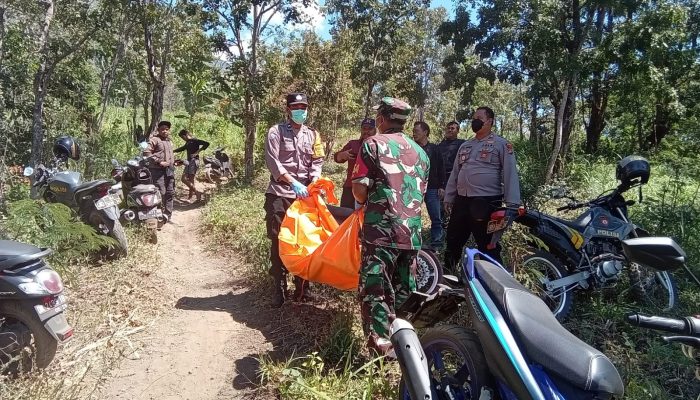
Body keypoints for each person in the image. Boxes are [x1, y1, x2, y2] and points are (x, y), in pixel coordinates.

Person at [352, 97, 429, 354]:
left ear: (381, 119)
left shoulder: (372, 144)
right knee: (405, 291)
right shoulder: (421, 153)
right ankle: (405, 347)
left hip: (380, 234)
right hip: (411, 235)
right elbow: (422, 192)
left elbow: (359, 190)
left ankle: (379, 351)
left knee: (375, 291)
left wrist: (371, 195)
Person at [264, 92, 324, 307]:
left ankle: (302, 288)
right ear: (288, 110)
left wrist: (314, 179)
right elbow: (273, 162)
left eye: (304, 107)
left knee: (306, 242)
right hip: (280, 194)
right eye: (296, 107)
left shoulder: (313, 135)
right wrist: (292, 183)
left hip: (305, 197)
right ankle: (279, 288)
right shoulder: (275, 132)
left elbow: (317, 160)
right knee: (279, 241)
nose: (301, 110)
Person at [443, 106, 521, 272]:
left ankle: (495, 282)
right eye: (473, 118)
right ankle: (448, 275)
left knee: (488, 244)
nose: (475, 121)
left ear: (490, 121)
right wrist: (449, 197)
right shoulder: (465, 145)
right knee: (453, 240)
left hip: (487, 202)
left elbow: (510, 173)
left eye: (479, 117)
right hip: (462, 201)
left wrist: (512, 204)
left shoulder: (501, 144)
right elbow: (456, 173)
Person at [412, 121, 445, 247]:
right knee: (413, 216)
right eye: (413, 131)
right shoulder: (412, 148)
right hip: (415, 187)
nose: (414, 134)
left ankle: (436, 243)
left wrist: (442, 186)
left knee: (436, 217)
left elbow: (441, 168)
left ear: (425, 132)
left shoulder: (435, 149)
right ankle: (415, 242)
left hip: (432, 188)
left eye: (417, 131)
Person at [334, 118, 376, 209]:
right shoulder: (353, 144)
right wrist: (342, 155)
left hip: (370, 190)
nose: (367, 131)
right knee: (345, 217)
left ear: (375, 130)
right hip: (350, 188)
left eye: (370, 129)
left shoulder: (379, 146)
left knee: (365, 220)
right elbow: (337, 158)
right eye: (364, 128)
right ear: (361, 129)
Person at [143, 120, 175, 222]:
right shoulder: (154, 140)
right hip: (157, 171)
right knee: (160, 193)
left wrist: (174, 162)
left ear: (169, 130)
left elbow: (169, 156)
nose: (165, 131)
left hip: (169, 171)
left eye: (167, 129)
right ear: (158, 130)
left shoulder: (169, 141)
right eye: (162, 129)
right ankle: (157, 215)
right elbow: (146, 153)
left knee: (170, 192)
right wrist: (159, 162)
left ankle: (167, 216)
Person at [174, 129, 209, 203]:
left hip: (194, 161)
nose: (183, 139)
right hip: (188, 161)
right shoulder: (187, 142)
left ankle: (191, 197)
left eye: (183, 137)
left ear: (185, 135)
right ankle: (196, 193)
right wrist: (173, 151)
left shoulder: (195, 140)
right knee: (184, 179)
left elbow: (206, 143)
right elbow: (182, 148)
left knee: (191, 179)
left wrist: (197, 152)